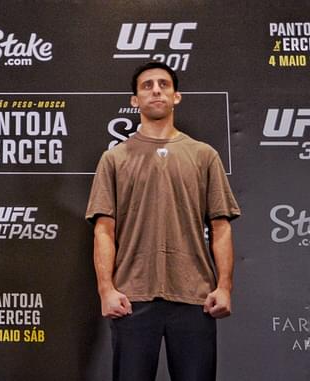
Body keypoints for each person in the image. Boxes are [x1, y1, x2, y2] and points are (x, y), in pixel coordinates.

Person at [85, 61, 240, 381]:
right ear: (134, 101)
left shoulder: (203, 155)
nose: (156, 89)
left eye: (164, 84)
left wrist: (224, 287)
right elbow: (104, 229)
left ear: (176, 96)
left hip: (195, 297)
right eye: (147, 85)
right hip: (132, 297)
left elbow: (221, 226)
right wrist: (106, 290)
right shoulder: (114, 159)